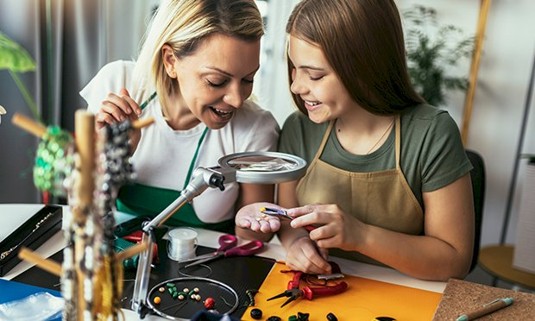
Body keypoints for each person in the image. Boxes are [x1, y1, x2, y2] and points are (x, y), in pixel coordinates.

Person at [236, 0, 475, 281]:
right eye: (294, 68)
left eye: (315, 75)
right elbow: (291, 222)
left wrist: (360, 235)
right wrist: (297, 242)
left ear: (365, 67)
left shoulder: (431, 133)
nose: (296, 86)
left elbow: (454, 260)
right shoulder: (299, 128)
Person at [80, 0, 279, 239]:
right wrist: (116, 154)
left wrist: (254, 225)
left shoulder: (256, 128)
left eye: (248, 79)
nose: (237, 100)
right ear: (171, 61)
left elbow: (254, 245)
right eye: (217, 81)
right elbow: (84, 212)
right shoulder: (118, 84)